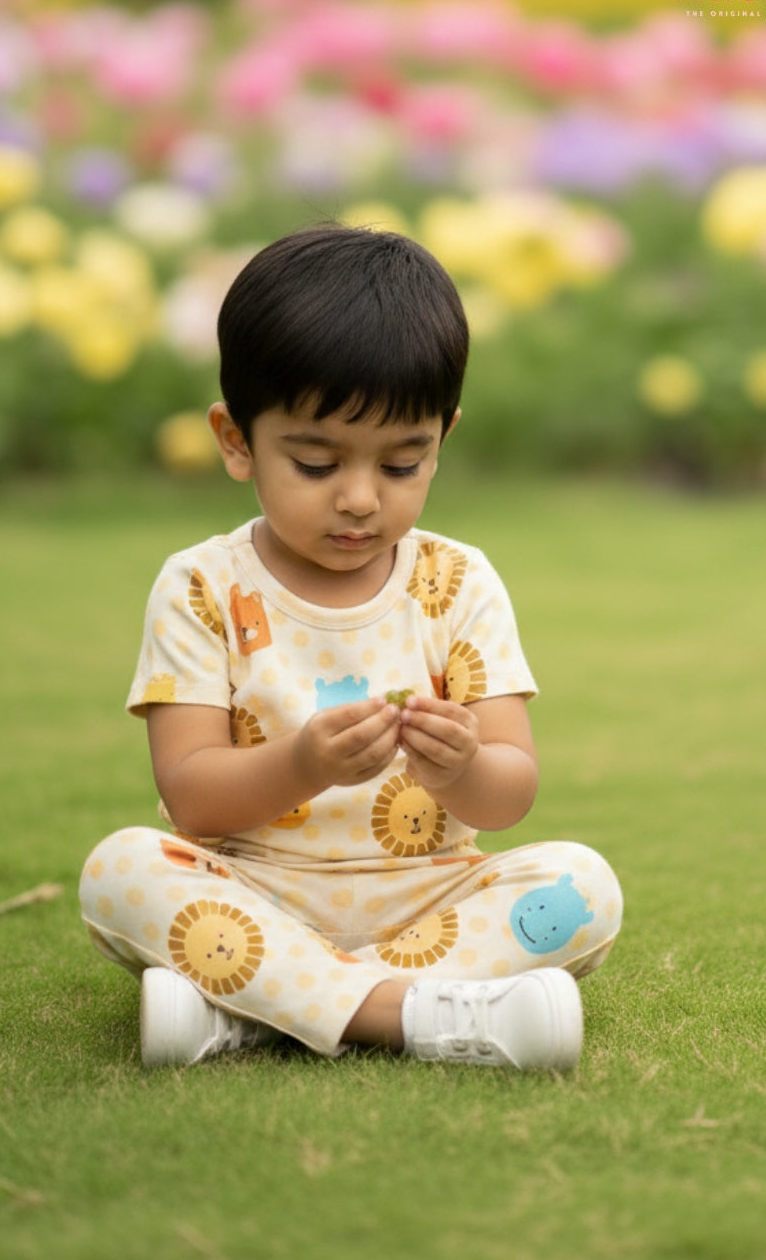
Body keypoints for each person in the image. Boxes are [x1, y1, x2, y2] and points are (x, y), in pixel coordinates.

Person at [79, 223, 622, 1070]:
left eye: (402, 465)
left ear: (444, 436)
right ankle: (420, 1018)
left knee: (582, 885)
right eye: (316, 462)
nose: (361, 499)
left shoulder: (458, 582)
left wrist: (459, 768)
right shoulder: (201, 588)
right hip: (257, 893)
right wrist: (303, 764)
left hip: (426, 900)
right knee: (120, 871)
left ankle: (258, 1013)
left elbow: (509, 794)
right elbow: (192, 799)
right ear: (235, 440)